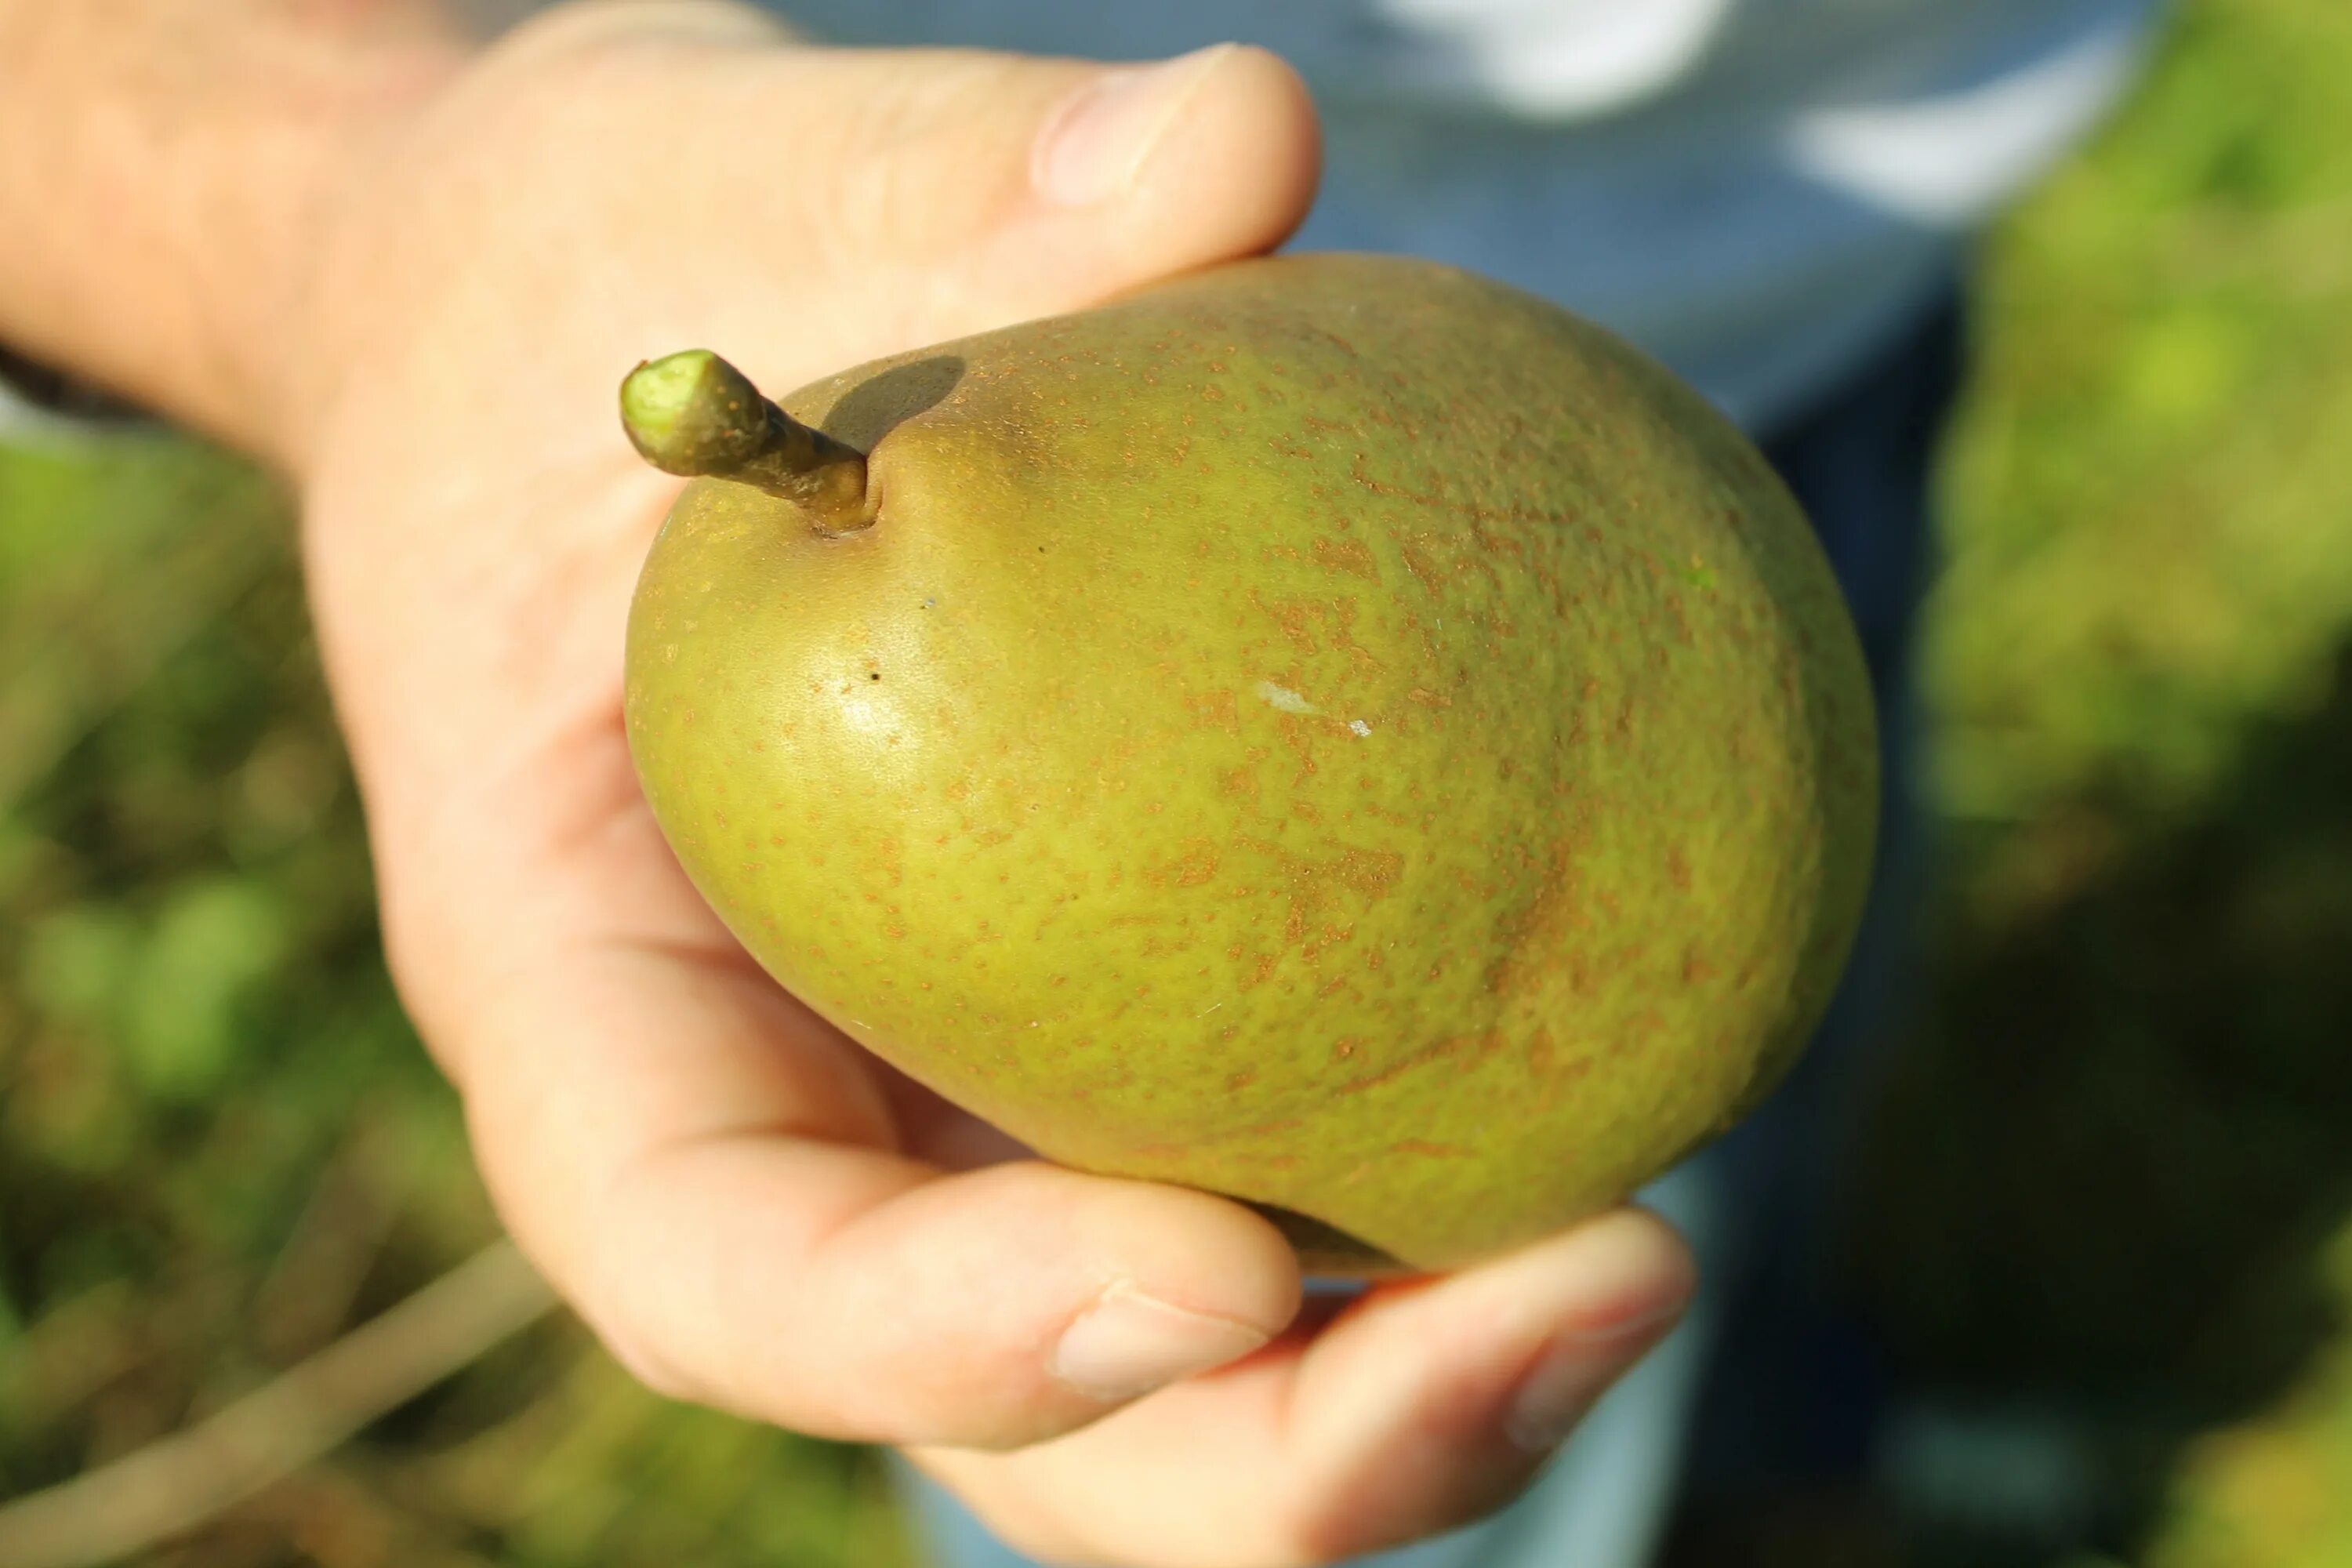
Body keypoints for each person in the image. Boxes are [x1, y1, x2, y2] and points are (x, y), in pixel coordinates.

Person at [0, 2, 2157, 1564]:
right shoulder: (828, 660)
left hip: (1810, 290)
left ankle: (1782, 1460)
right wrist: (340, 217)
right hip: (901, 258)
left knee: (1797, 1048)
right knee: (1396, 1438)